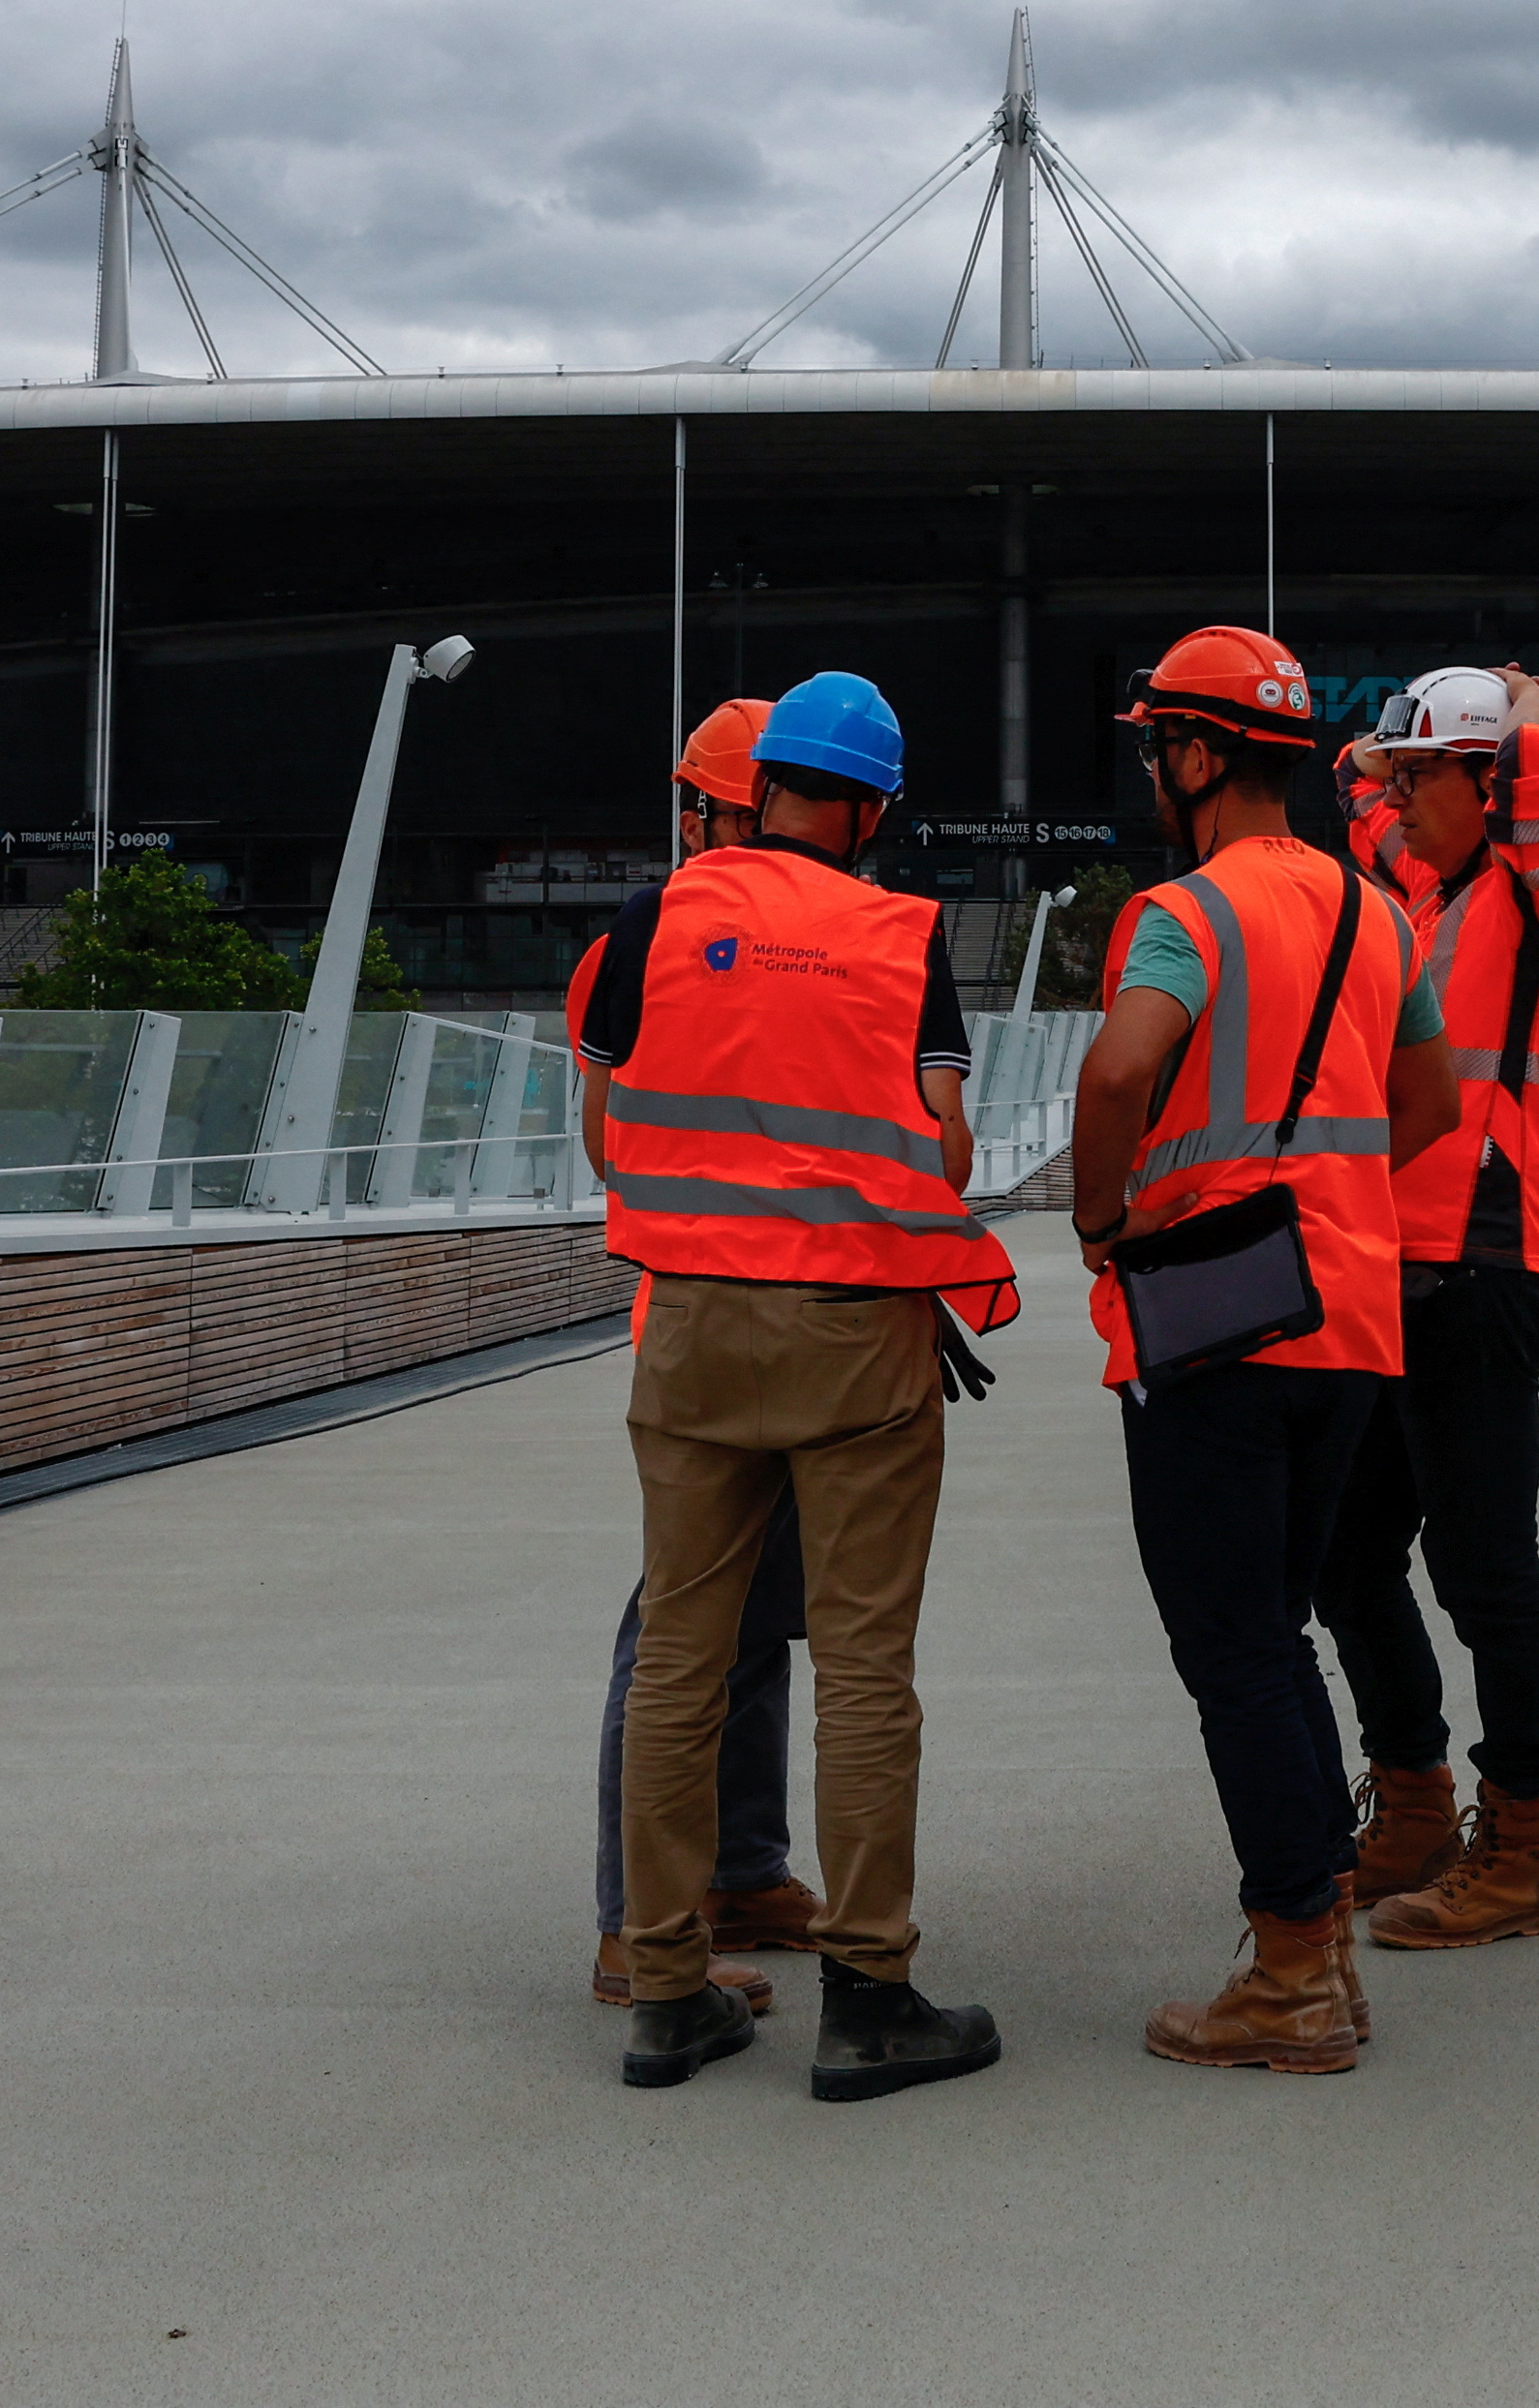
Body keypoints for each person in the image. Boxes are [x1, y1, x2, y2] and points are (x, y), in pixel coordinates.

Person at [583, 671, 1022, 2101]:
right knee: (863, 1667)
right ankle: (869, 1996)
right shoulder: (902, 940)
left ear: (756, 781)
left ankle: (663, 1989)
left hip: (691, 1328)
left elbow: (609, 1136)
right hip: (851, 1337)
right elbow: (942, 1154)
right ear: (875, 808)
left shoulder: (653, 922)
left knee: (680, 1662)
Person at [1069, 625, 1460, 2074]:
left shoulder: (1187, 912)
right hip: (1350, 1320)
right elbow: (1423, 1108)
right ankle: (1317, 1950)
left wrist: (1103, 1213)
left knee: (1229, 1647)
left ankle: (1292, 1972)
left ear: (1197, 753)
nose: (1155, 770)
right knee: (1274, 1634)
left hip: (1215, 1324)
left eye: (1159, 745)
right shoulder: (1376, 913)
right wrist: (1320, 1172)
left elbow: (1119, 1067)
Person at [1315, 662, 1539, 1952]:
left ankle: (1524, 1852)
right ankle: (1412, 1810)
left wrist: (1522, 696)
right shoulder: (1417, 895)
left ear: (1488, 783)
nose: (1396, 797)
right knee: (1346, 1554)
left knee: (1486, 1569)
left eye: (1421, 773)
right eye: (1396, 779)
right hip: (1394, 1269)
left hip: (1490, 1267)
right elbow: (1351, 793)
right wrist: (1380, 749)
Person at [576, 700, 815, 2020]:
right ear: (719, 813)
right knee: (677, 1627)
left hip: (795, 1317)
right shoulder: (647, 940)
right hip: (713, 1325)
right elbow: (618, 1142)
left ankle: (744, 1871)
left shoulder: (802, 937)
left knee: (758, 1619)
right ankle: (637, 1925)